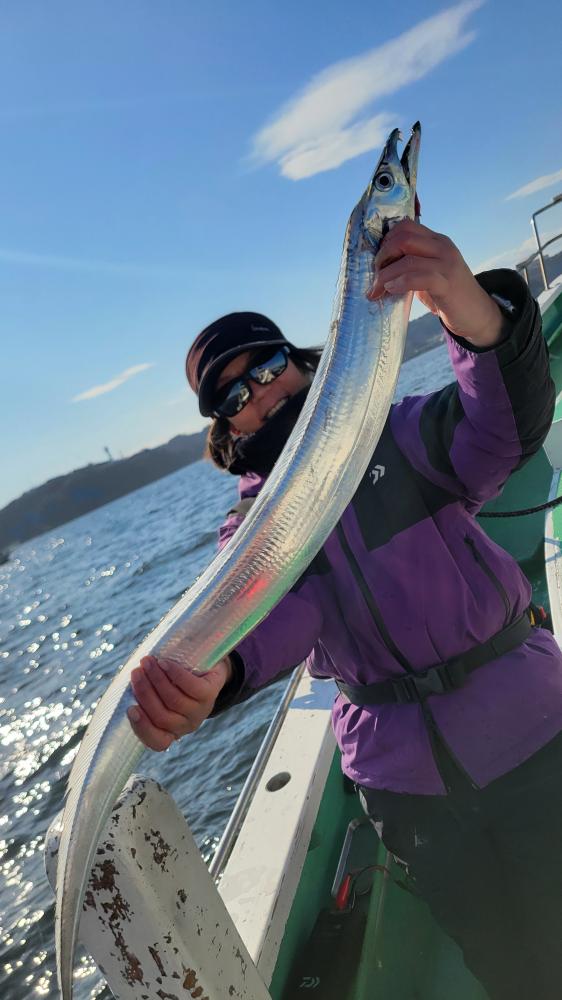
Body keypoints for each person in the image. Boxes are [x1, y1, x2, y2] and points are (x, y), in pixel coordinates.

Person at [127, 220, 562, 1000]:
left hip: (534, 732)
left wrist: (475, 313)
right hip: (410, 791)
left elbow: (500, 431)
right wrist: (214, 676)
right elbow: (269, 623)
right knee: (504, 964)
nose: (261, 392)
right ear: (229, 428)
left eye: (266, 367)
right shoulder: (251, 532)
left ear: (300, 361)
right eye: (234, 396)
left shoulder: (396, 434)